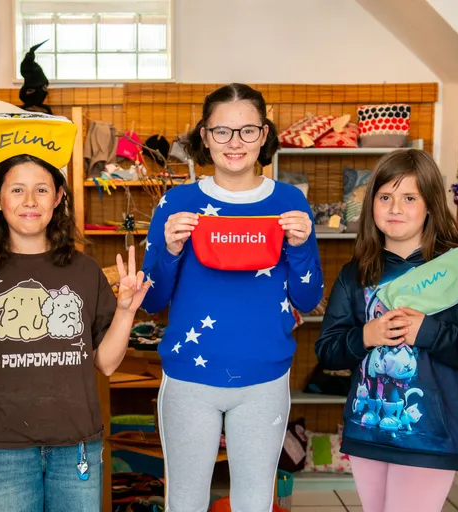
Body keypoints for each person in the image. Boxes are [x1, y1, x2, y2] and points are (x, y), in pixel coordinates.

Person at [0, 112, 149, 512]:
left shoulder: (84, 271)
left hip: (77, 446)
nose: (29, 201)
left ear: (59, 197)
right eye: (16, 190)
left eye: (41, 190)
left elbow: (105, 363)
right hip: (3, 450)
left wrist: (124, 312)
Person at [140, 83, 324, 511]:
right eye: (222, 131)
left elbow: (309, 295)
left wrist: (299, 249)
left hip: (265, 380)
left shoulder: (289, 201)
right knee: (184, 502)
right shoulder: (177, 203)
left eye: (247, 130)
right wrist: (168, 252)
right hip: (188, 380)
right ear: (204, 136)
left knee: (254, 503)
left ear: (264, 134)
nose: (234, 143)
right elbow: (151, 302)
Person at [315, 149, 458, 512]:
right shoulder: (354, 275)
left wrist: (429, 332)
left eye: (409, 198)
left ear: (431, 204)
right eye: (385, 197)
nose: (395, 208)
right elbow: (327, 350)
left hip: (430, 438)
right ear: (372, 204)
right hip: (366, 430)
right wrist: (365, 336)